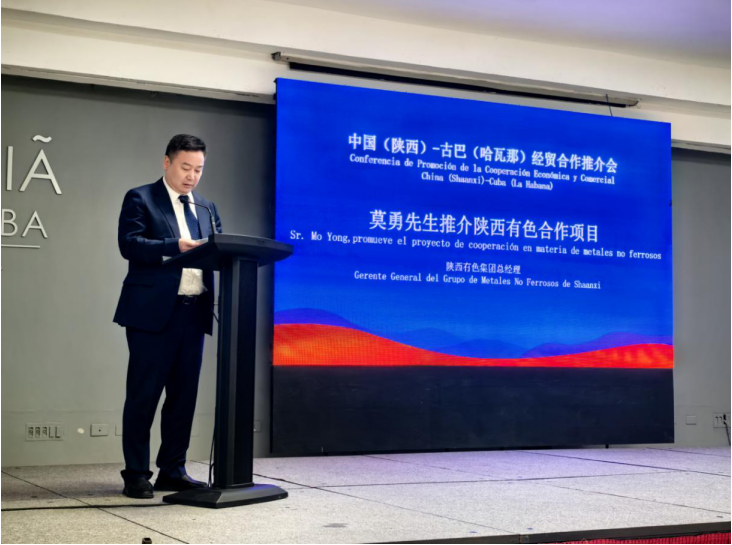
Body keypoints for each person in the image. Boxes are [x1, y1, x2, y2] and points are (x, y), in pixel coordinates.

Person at [113, 134, 221, 499]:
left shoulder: (206, 208)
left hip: (194, 312)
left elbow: (220, 249)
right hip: (152, 313)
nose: (192, 176)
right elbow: (129, 244)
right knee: (143, 395)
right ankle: (135, 473)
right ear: (167, 162)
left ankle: (173, 470)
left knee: (183, 397)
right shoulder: (140, 197)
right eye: (185, 167)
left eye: (199, 169)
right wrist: (174, 246)